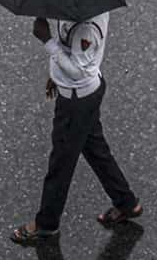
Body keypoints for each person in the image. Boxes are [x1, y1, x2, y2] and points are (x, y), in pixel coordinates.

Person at [10, 13, 142, 244]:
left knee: (60, 163)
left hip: (76, 102)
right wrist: (55, 74)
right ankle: (127, 203)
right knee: (95, 150)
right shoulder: (79, 9)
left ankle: (46, 224)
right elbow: (71, 53)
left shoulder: (86, 28)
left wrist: (46, 40)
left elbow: (78, 70)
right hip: (83, 92)